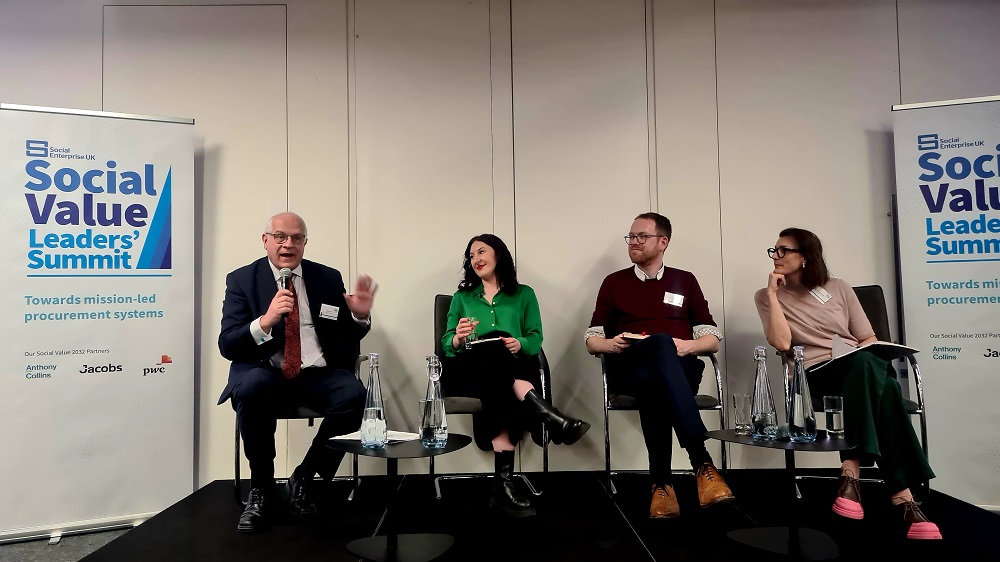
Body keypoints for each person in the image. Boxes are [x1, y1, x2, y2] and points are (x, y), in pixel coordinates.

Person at [754, 227, 941, 540]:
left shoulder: (839, 287)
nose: (776, 256)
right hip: (814, 375)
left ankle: (852, 475)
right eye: (774, 250)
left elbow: (867, 337)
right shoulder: (765, 296)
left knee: (869, 366)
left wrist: (868, 353)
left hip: (856, 367)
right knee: (886, 386)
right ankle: (903, 494)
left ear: (805, 256)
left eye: (783, 250)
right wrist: (773, 295)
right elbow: (782, 343)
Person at [218, 212, 377, 533]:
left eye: (297, 238)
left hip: (316, 372)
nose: (288, 244)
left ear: (305, 242)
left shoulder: (327, 277)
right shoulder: (242, 280)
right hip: (268, 372)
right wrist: (266, 321)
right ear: (265, 241)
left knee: (355, 394)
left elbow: (345, 334)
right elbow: (228, 344)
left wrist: (359, 316)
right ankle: (262, 487)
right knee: (251, 387)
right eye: (280, 236)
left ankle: (305, 477)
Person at [585, 212, 734, 519]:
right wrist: (612, 344)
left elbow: (712, 338)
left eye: (642, 236)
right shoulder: (614, 283)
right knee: (658, 351)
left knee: (658, 366)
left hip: (678, 368)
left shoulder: (685, 280)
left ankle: (662, 485)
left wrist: (686, 345)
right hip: (629, 366)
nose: (634, 242)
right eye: (631, 237)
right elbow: (591, 340)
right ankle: (702, 463)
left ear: (663, 242)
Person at [441, 234, 590, 518]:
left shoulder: (524, 294)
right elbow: (447, 344)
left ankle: (503, 486)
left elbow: (535, 337)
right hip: (470, 369)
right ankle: (552, 418)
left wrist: (519, 343)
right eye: (471, 256)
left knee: (500, 376)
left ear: (498, 254)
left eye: (481, 252)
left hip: (508, 368)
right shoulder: (462, 298)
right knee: (495, 348)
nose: (476, 259)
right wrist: (458, 337)